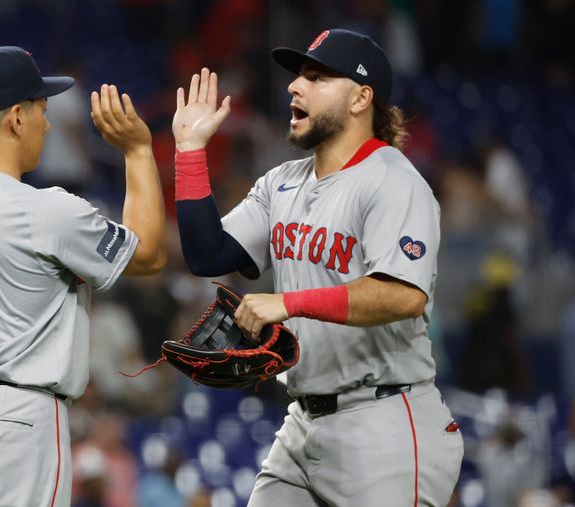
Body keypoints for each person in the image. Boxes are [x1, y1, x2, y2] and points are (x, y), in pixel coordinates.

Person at [172, 29, 463, 506]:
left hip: (384, 423)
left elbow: (403, 295)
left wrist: (287, 303)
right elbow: (208, 255)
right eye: (298, 76)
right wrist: (189, 152)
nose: (294, 86)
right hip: (303, 422)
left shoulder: (392, 181)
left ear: (360, 98)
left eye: (317, 76)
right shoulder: (282, 183)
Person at [0, 46, 166, 506]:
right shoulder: (41, 209)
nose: (47, 123)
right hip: (12, 426)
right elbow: (147, 254)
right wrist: (138, 151)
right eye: (42, 110)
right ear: (15, 118)